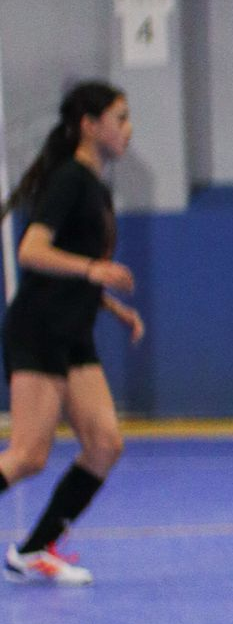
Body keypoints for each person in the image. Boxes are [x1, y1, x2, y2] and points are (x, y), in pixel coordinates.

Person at [1, 81, 142, 586]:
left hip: (73, 331)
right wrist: (92, 271)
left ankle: (34, 549)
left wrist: (109, 304)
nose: (128, 129)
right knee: (28, 456)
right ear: (89, 124)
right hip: (40, 328)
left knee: (104, 444)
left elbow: (74, 266)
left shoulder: (96, 187)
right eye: (119, 118)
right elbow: (31, 252)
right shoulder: (69, 181)